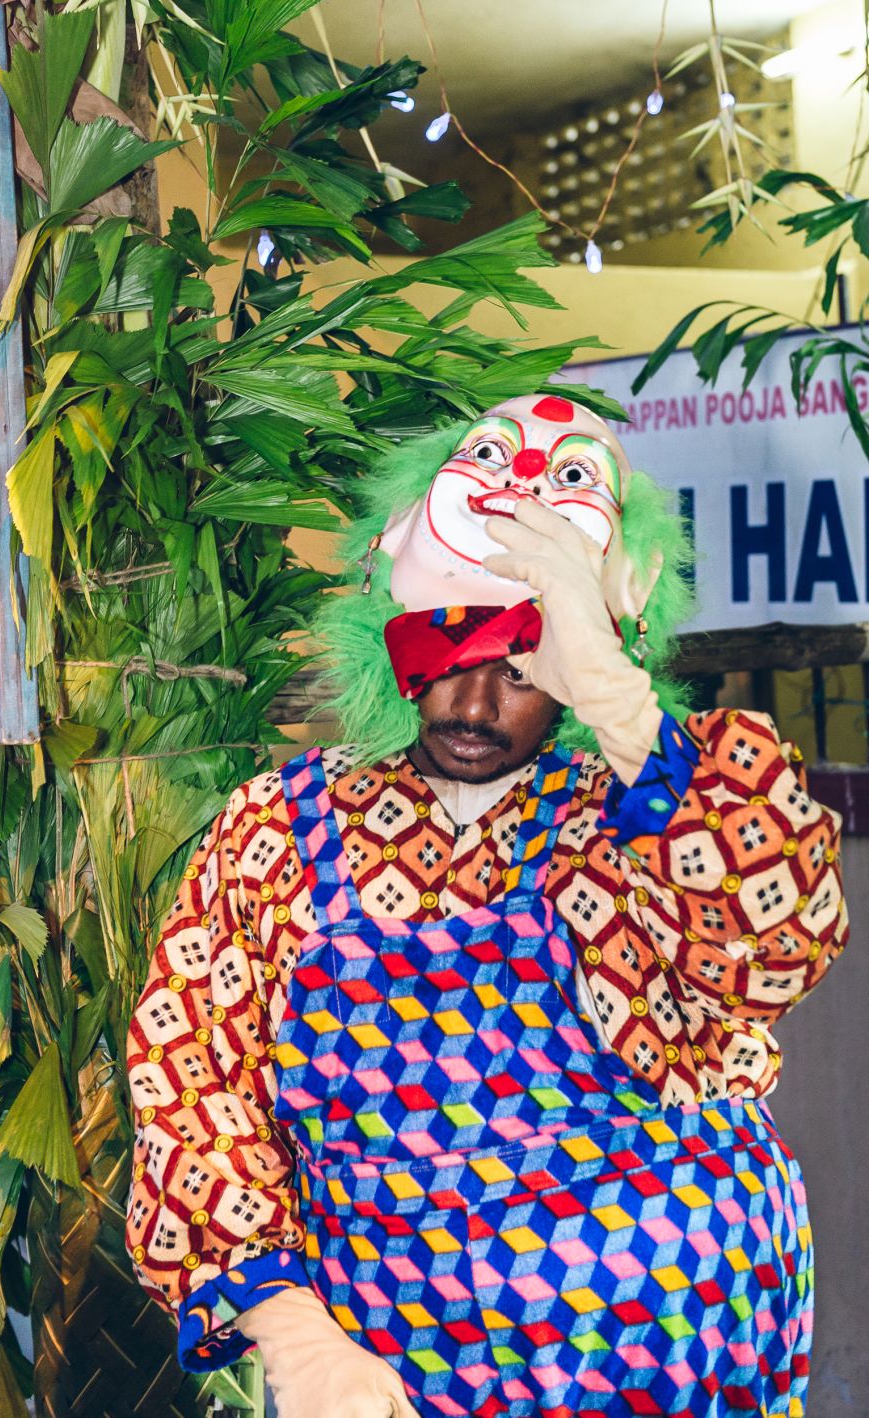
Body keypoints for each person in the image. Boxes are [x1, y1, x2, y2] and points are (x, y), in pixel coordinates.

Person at [125, 396, 846, 1418]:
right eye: (446, 659)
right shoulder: (275, 829)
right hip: (391, 1359)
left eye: (519, 669)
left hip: (676, 1348)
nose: (473, 705)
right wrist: (289, 1328)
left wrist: (615, 697)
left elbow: (776, 945)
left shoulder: (647, 803)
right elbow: (193, 1084)